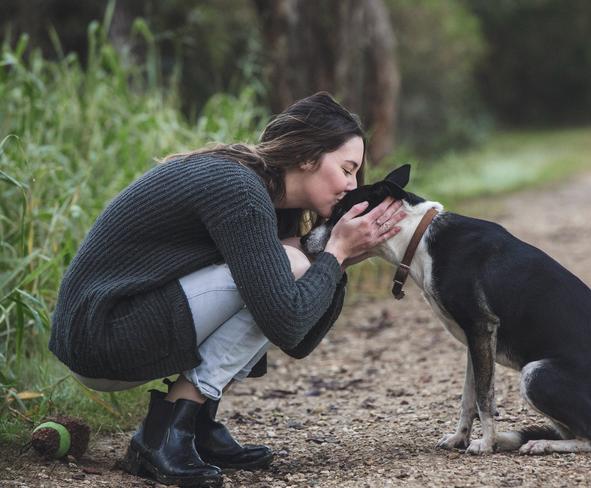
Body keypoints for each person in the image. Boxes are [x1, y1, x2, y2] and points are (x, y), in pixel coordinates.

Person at [49, 92, 405, 486]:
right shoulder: (239, 189)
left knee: (290, 268)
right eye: (347, 168)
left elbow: (297, 338)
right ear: (307, 157)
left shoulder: (273, 206)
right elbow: (288, 320)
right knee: (291, 268)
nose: (352, 185)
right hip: (102, 336)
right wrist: (334, 253)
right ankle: (164, 434)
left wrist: (340, 260)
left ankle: (196, 426)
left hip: (126, 327)